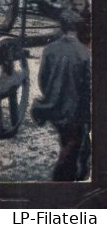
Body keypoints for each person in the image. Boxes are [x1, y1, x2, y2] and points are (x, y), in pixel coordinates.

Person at [31, 9, 91, 181]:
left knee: (67, 141)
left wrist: (53, 94)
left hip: (52, 107)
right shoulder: (84, 53)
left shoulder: (49, 49)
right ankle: (62, 183)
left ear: (62, 27)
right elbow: (87, 88)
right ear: (77, 28)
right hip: (73, 111)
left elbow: (43, 79)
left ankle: (74, 175)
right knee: (72, 147)